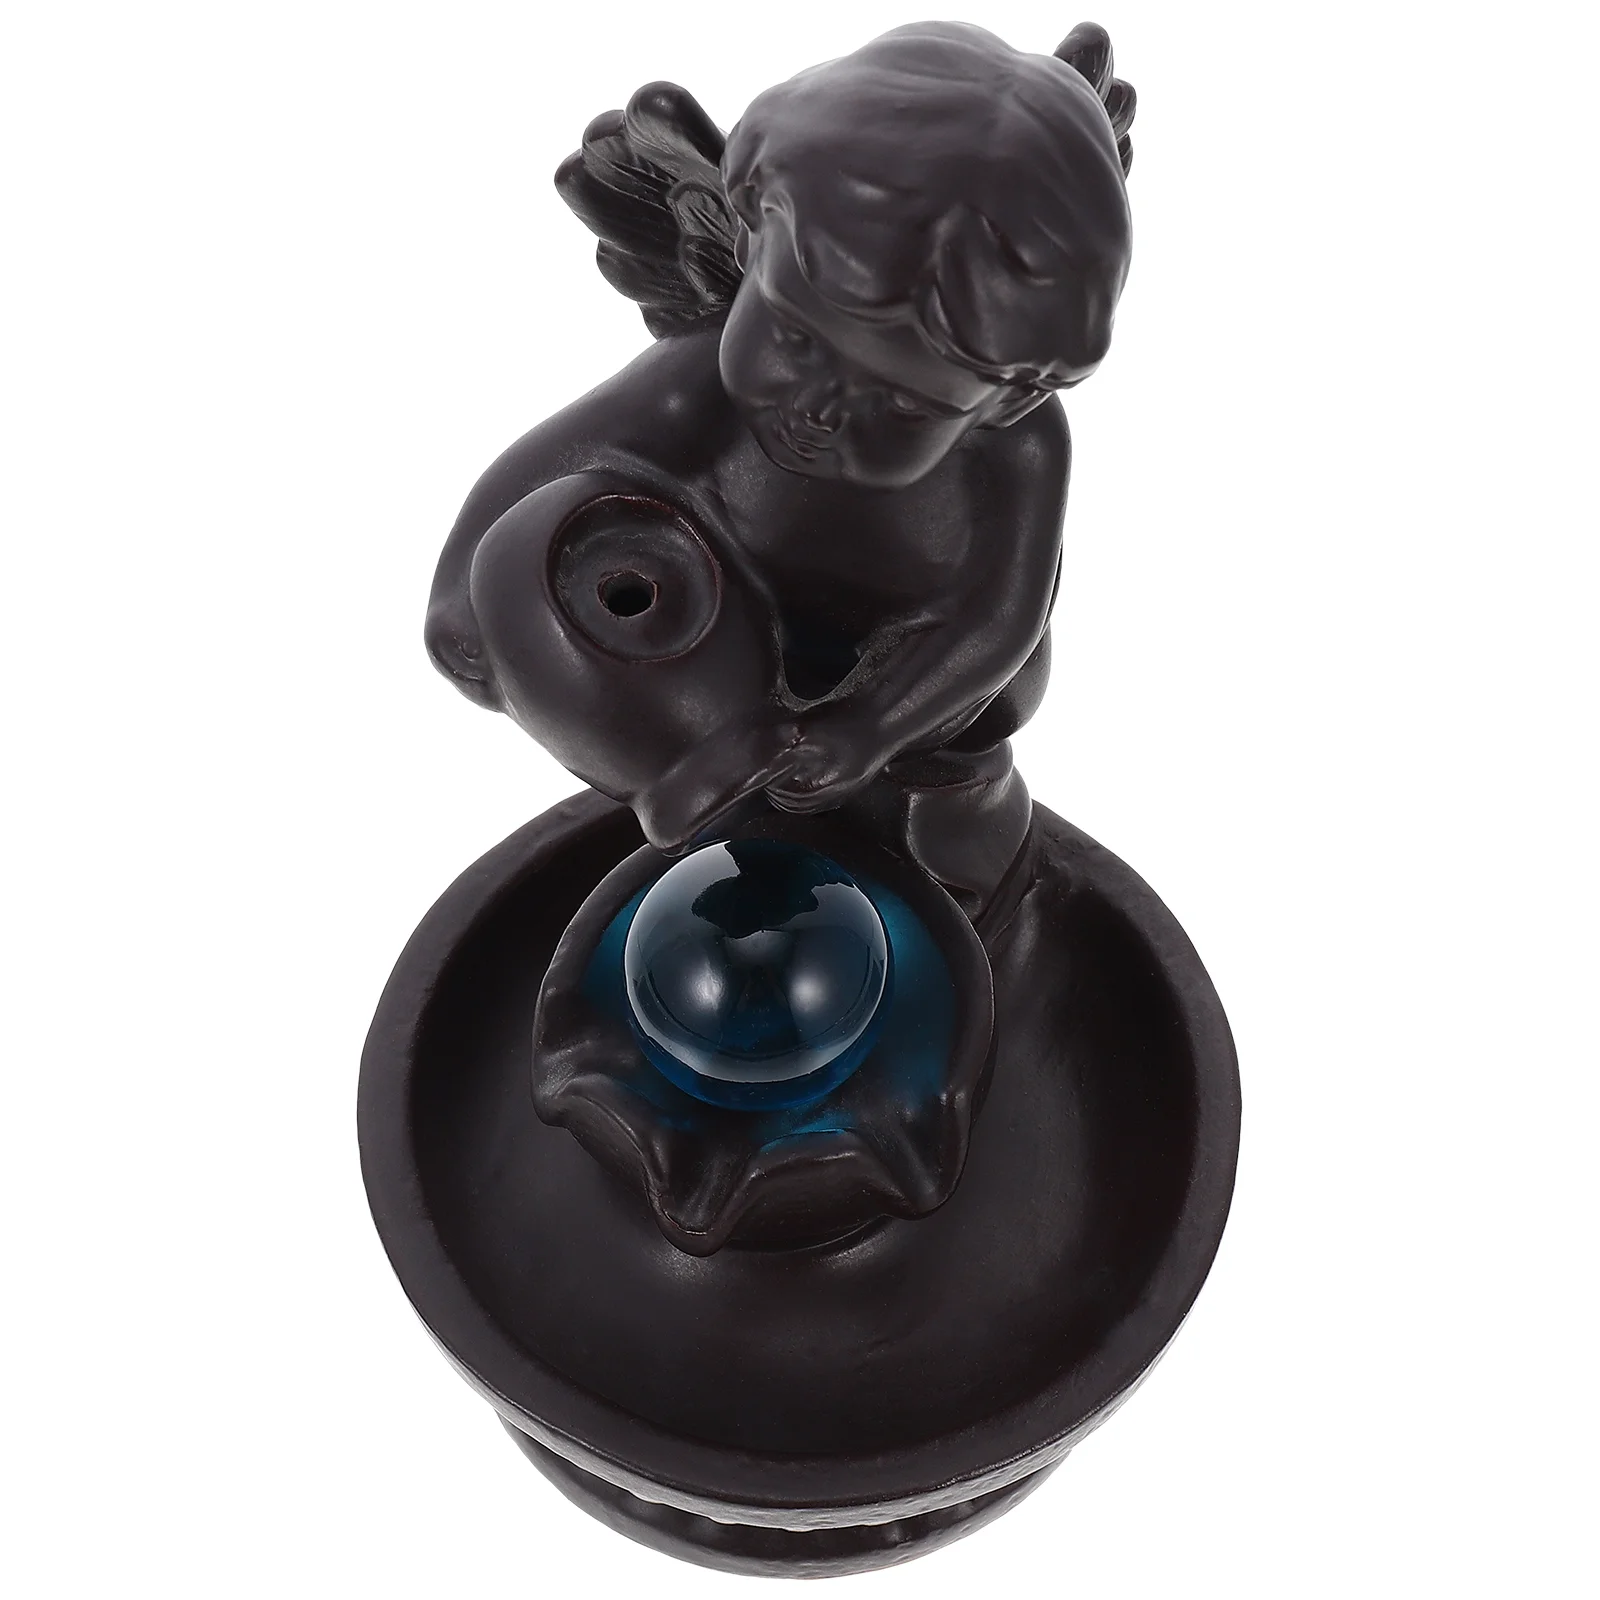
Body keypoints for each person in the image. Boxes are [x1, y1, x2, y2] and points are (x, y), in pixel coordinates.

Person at [427, 22, 1135, 917]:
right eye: (795, 339)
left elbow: (994, 621)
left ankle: (945, 899)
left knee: (955, 816)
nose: (819, 409)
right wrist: (465, 592)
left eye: (901, 403)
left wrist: (871, 726)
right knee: (582, 550)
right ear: (746, 247)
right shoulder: (696, 381)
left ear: (1006, 399)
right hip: (724, 648)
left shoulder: (1018, 454)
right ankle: (706, 812)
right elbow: (559, 464)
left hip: (920, 699)